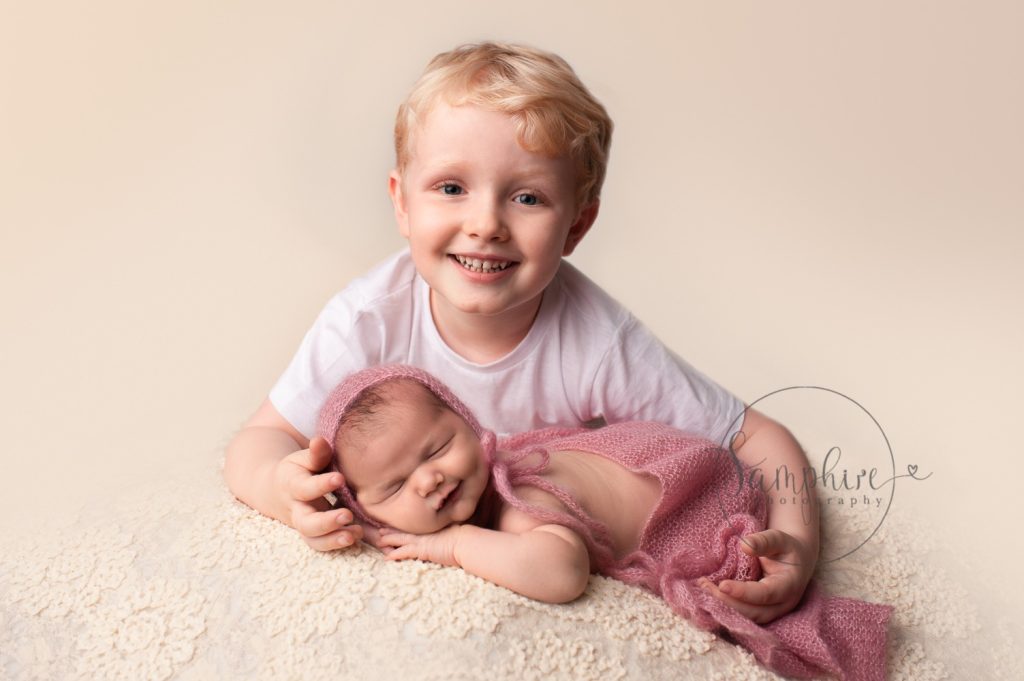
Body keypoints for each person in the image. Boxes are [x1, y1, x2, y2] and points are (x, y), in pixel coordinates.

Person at [223, 41, 819, 623]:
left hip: (546, 530)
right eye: (451, 188)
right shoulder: (369, 320)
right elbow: (258, 442)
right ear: (402, 204)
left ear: (576, 226)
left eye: (528, 197)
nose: (485, 225)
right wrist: (284, 489)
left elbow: (754, 436)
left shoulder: (592, 337)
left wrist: (795, 542)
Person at [318, 364, 892, 681]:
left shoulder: (520, 504)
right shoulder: (452, 483)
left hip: (699, 492)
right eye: (395, 487)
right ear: (367, 510)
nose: (429, 481)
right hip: (647, 458)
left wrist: (454, 544)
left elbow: (560, 569)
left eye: (437, 448)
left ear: (470, 424)